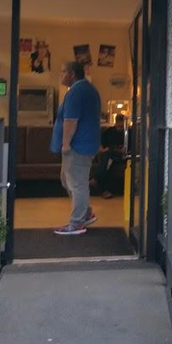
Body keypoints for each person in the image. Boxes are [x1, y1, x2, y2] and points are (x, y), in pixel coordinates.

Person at [51, 61, 102, 236]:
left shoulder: (76, 91)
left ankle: (77, 222)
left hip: (78, 146)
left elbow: (70, 121)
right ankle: (86, 212)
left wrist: (65, 144)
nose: (61, 74)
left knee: (77, 183)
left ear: (72, 73)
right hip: (85, 144)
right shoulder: (87, 89)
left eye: (63, 71)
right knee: (67, 179)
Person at [91, 118, 127, 200]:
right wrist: (103, 149)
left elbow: (128, 147)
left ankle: (96, 178)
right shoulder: (109, 131)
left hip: (119, 155)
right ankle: (105, 190)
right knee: (109, 166)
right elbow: (101, 144)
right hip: (109, 154)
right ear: (116, 121)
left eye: (121, 122)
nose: (120, 124)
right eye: (119, 121)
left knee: (107, 159)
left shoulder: (127, 132)